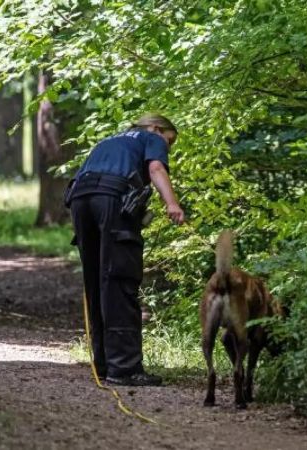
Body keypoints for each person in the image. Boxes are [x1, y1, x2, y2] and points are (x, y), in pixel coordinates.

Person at [68, 113, 185, 386]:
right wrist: (172, 203)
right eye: (170, 141)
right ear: (157, 128)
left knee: (96, 280)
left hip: (79, 200)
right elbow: (156, 168)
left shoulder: (108, 141)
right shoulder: (150, 138)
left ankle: (103, 363)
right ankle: (124, 369)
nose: (169, 147)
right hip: (111, 198)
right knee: (120, 278)